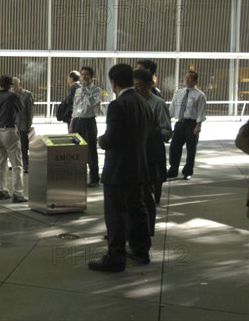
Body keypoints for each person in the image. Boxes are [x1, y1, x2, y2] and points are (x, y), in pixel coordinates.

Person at [88, 64, 152, 272]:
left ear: (113, 82)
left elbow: (112, 138)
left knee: (115, 213)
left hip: (119, 169)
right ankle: (141, 250)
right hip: (138, 165)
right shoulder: (142, 102)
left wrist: (101, 140)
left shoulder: (118, 105)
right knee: (137, 208)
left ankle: (116, 258)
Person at [133, 69, 172, 235]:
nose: (137, 89)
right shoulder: (132, 101)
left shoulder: (157, 104)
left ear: (150, 85)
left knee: (147, 197)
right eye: (134, 86)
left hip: (150, 156)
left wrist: (148, 132)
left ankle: (147, 231)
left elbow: (167, 132)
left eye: (140, 86)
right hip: (135, 156)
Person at [0, 75, 28, 203]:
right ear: (11, 85)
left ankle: (2, 190)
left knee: (1, 163)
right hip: (10, 131)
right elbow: (21, 109)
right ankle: (18, 193)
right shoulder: (14, 96)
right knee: (17, 164)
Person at [167, 70, 207, 180]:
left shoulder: (200, 95)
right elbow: (172, 108)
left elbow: (201, 111)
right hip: (180, 123)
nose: (188, 80)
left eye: (191, 79)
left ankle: (187, 171)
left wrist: (198, 126)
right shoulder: (178, 92)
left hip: (192, 124)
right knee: (174, 147)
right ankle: (173, 169)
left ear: (195, 81)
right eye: (186, 78)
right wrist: (167, 120)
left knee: (191, 149)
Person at [69, 66, 101, 187]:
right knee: (77, 150)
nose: (84, 77)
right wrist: (72, 125)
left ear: (92, 77)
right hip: (77, 121)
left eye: (87, 74)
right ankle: (78, 177)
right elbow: (75, 108)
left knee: (91, 151)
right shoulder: (77, 90)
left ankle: (94, 178)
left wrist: (85, 89)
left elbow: (93, 105)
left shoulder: (96, 90)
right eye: (82, 75)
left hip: (89, 122)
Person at [11, 76, 34, 173]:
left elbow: (30, 112)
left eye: (14, 85)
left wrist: (28, 125)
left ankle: (26, 166)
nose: (13, 88)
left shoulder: (27, 94)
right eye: (12, 86)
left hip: (23, 124)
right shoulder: (11, 95)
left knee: (24, 147)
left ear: (18, 84)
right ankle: (15, 164)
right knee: (14, 147)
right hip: (12, 125)